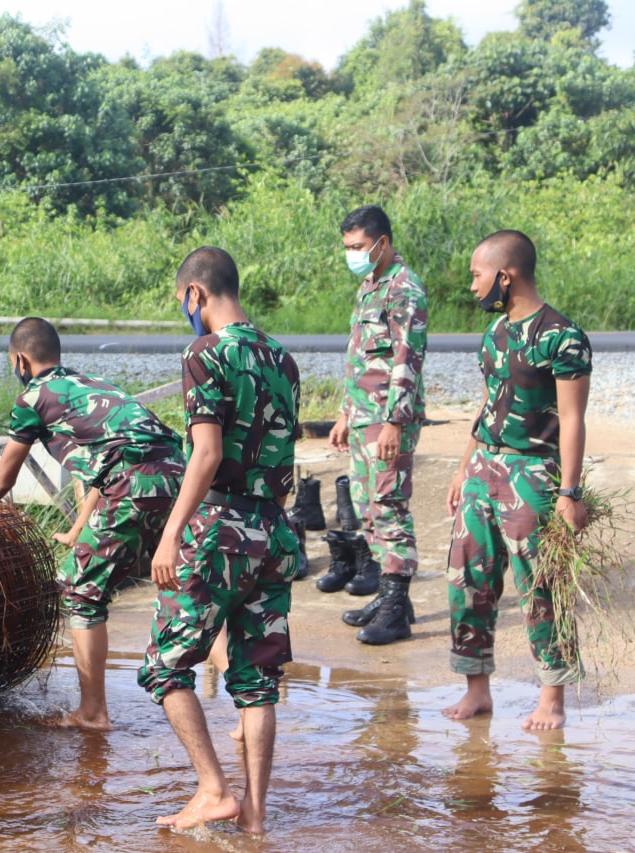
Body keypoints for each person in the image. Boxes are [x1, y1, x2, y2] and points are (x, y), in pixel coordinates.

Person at [0, 317, 185, 731]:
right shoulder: (93, 385)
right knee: (189, 583)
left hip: (133, 484)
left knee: (82, 593)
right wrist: (81, 528)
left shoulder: (33, 398)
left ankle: (92, 713)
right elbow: (106, 466)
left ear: (21, 360)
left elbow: (1, 479)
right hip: (178, 478)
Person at [138, 246, 301, 835]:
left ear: (195, 295)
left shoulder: (205, 353)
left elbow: (206, 454)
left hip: (218, 529)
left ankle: (213, 789)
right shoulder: (281, 358)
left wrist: (171, 533)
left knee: (164, 665)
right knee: (258, 679)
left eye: (183, 303)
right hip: (274, 531)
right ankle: (255, 817)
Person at [441, 230, 591, 732]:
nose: (472, 286)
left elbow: (572, 419)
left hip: (535, 473)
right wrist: (465, 467)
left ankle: (552, 697)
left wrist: (569, 493)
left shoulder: (561, 335)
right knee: (469, 578)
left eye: (477, 276)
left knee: (541, 585)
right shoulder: (496, 334)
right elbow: (489, 403)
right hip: (485, 468)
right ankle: (477, 690)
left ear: (505, 276)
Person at [325, 205, 428, 645]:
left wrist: (394, 422)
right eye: (348, 247)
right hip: (364, 416)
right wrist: (346, 413)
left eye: (359, 247)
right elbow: (361, 357)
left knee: (388, 507)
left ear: (382, 243)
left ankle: (394, 611)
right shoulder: (370, 286)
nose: (353, 254)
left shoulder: (405, 289)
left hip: (388, 419)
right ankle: (392, 600)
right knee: (368, 506)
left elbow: (407, 360)